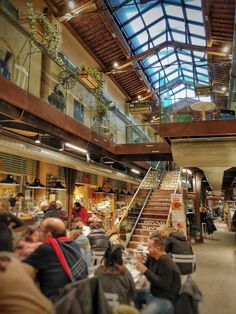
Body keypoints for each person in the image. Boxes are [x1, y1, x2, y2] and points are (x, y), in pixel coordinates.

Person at [24, 217, 88, 300]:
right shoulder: (73, 245)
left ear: (49, 235)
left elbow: (23, 266)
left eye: (41, 231)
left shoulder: (46, 249)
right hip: (77, 296)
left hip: (57, 300)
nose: (39, 234)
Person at [135, 233, 181, 314]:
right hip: (153, 293)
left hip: (165, 299)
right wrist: (139, 261)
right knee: (132, 293)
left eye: (149, 247)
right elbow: (144, 268)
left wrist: (145, 270)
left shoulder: (166, 262)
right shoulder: (152, 256)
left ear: (158, 248)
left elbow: (163, 284)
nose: (147, 249)